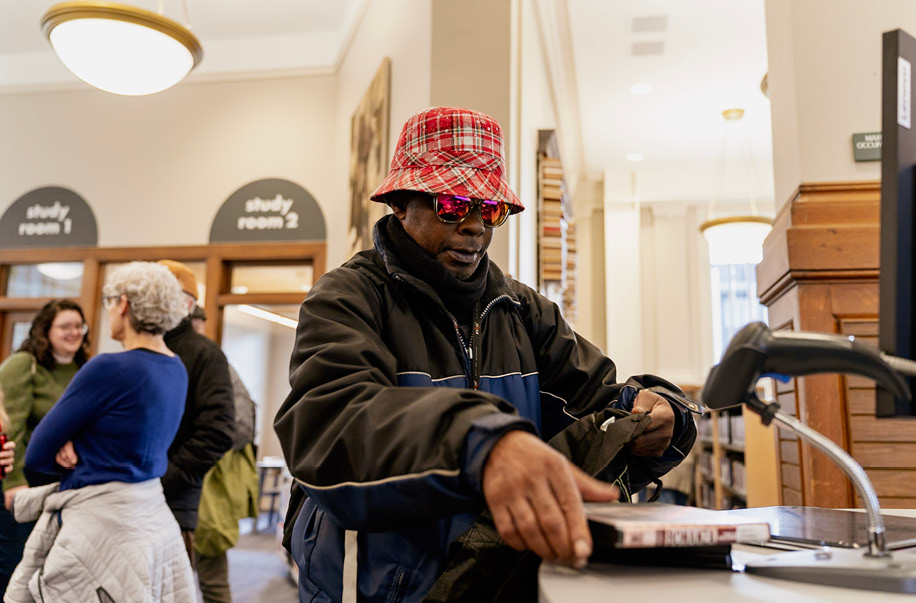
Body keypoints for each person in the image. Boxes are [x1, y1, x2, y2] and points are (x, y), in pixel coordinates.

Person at [274, 106, 698, 602]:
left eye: (490, 210)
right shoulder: (347, 297)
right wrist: (483, 443)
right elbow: (332, 429)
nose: (475, 226)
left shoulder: (524, 310)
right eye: (454, 205)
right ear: (400, 203)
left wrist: (665, 413)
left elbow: (604, 402)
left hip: (495, 584)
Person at [5, 261, 195, 602]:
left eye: (109, 302)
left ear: (123, 304)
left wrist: (73, 448)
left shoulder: (109, 366)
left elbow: (36, 456)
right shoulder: (176, 368)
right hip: (148, 516)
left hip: (97, 523)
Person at [0, 300, 89, 596]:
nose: (74, 332)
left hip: (66, 485)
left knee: (54, 567)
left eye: (79, 326)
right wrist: (13, 484)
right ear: (45, 330)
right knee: (16, 563)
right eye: (65, 326)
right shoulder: (23, 364)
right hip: (24, 482)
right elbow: (9, 426)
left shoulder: (85, 369)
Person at [158, 260, 235, 565]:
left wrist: (164, 479)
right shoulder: (135, 348)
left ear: (186, 303)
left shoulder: (204, 353)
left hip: (174, 506)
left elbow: (218, 431)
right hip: (126, 502)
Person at [190, 306, 260, 603]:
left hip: (206, 488)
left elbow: (243, 424)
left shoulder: (216, 365)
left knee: (211, 577)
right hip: (188, 488)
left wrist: (200, 446)